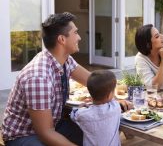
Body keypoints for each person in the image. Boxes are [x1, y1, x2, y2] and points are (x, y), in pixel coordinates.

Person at [2, 12, 132, 146]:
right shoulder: (39, 77)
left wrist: (114, 99)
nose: (80, 37)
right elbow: (45, 133)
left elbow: (93, 81)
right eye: (75, 33)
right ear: (62, 40)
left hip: (54, 124)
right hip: (24, 135)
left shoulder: (65, 60)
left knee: (99, 132)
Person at [70, 70, 121, 146]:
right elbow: (113, 100)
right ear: (110, 95)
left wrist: (80, 107)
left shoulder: (83, 114)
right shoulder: (115, 107)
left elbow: (73, 116)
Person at [135, 24, 163, 91]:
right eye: (157, 36)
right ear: (148, 44)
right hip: (150, 98)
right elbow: (154, 87)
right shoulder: (141, 58)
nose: (162, 36)